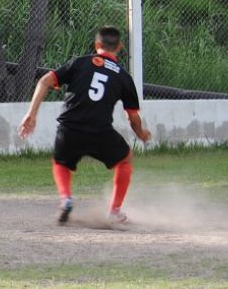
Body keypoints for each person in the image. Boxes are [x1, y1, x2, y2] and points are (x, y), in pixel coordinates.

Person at [18, 26, 151, 225]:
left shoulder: (80, 63)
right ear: (120, 47)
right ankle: (114, 211)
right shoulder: (123, 76)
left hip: (69, 128)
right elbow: (132, 117)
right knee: (125, 159)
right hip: (100, 131)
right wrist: (141, 133)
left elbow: (45, 81)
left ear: (97, 45)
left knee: (61, 163)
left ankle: (66, 199)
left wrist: (31, 114)